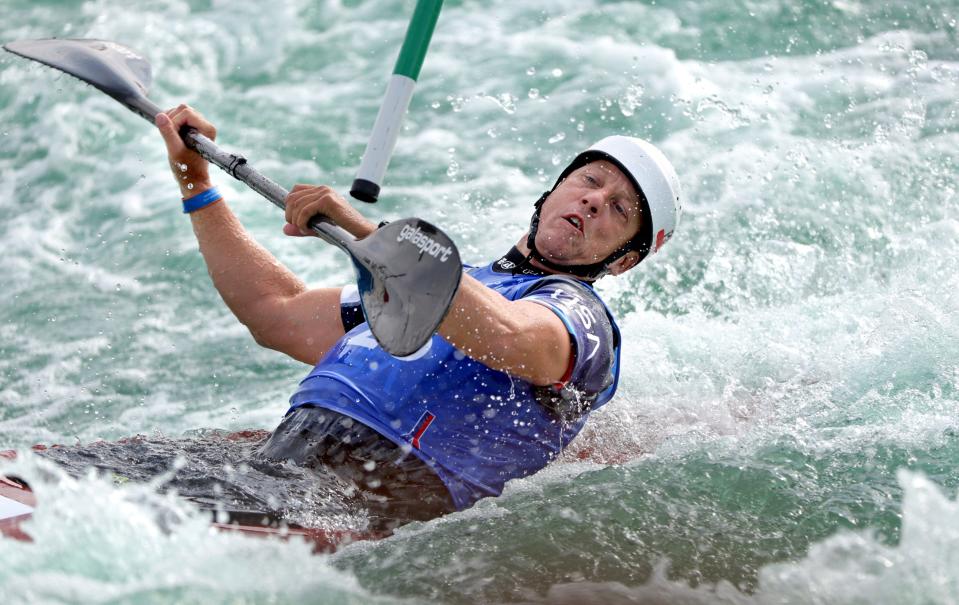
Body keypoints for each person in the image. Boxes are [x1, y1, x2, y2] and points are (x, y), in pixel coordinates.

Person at [154, 105, 682, 531]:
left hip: (364, 497)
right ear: (551, 192)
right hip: (284, 459)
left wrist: (365, 232)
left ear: (624, 259)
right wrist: (193, 179)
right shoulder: (451, 284)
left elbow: (511, 335)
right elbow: (275, 313)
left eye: (619, 209)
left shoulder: (584, 320)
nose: (594, 200)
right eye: (589, 180)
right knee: (75, 479)